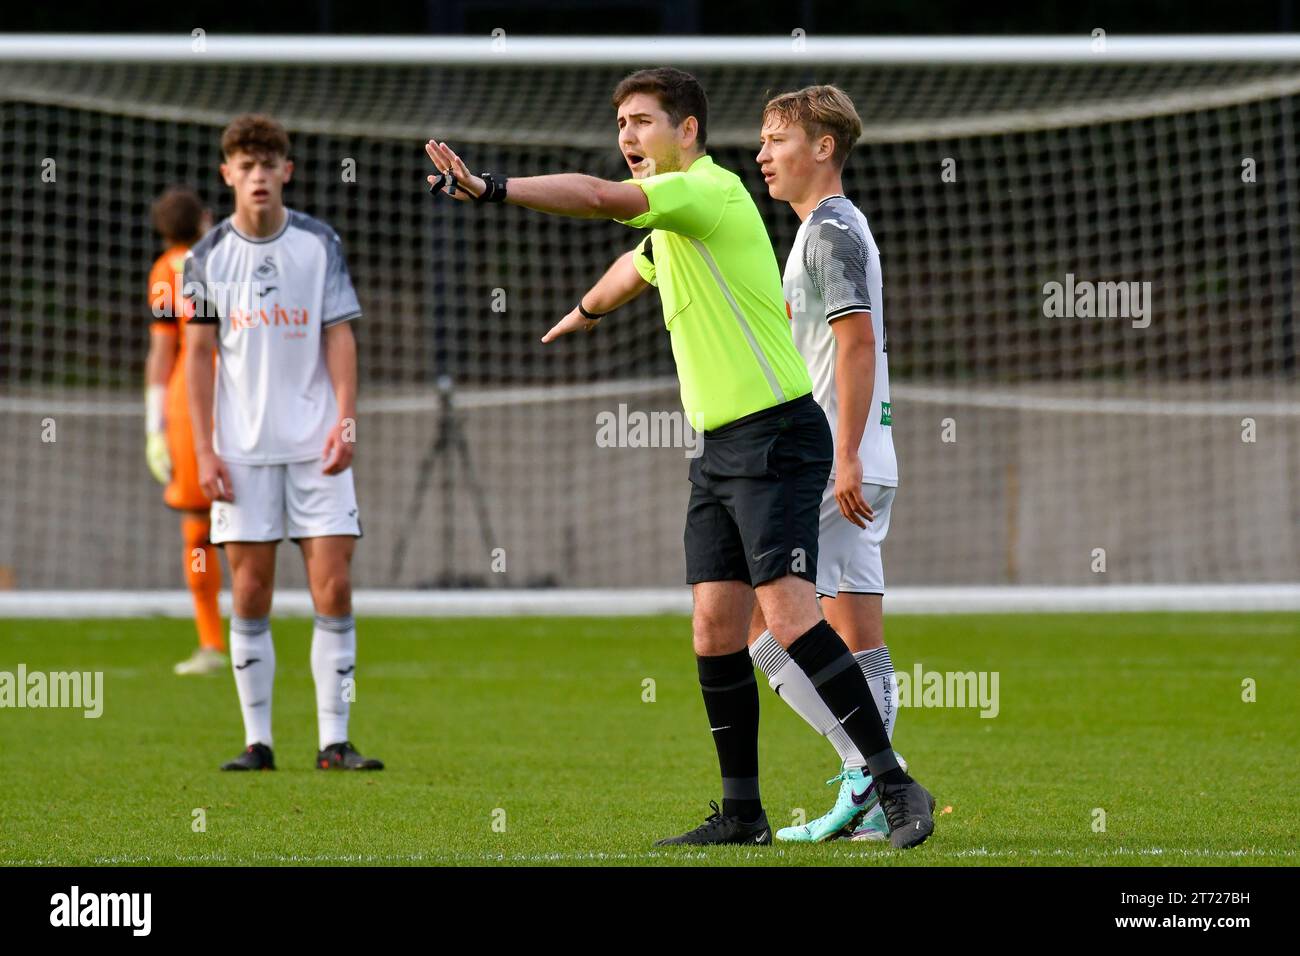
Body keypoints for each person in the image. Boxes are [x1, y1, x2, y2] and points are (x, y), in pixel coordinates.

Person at [425, 68, 933, 848]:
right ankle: (742, 814)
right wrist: (585, 311)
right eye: (621, 123)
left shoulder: (706, 190)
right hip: (722, 446)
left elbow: (600, 199)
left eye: (644, 122)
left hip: (778, 434)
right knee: (714, 629)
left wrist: (490, 187)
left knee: (795, 618)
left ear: (687, 131)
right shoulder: (679, 218)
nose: (629, 137)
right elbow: (642, 263)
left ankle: (892, 784)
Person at [184, 113, 382, 772]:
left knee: (334, 589)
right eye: (246, 165)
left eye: (269, 164)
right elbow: (196, 355)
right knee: (250, 593)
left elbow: (340, 335)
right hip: (240, 451)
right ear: (228, 175)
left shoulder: (318, 243)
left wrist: (346, 419)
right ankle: (258, 743)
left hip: (317, 445)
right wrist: (206, 451)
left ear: (286, 172)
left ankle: (334, 742)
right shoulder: (205, 256)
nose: (259, 175)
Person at [754, 85, 906, 842]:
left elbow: (855, 343)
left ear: (822, 148)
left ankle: (872, 774)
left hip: (837, 462)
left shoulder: (829, 231)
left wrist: (840, 455)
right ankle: (877, 792)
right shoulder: (829, 226)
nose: (762, 154)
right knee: (857, 637)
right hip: (859, 457)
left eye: (777, 139)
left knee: (765, 629)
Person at [144, 186, 226, 676]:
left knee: (198, 526)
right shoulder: (227, 254)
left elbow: (162, 349)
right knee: (249, 521)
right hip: (240, 387)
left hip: (184, 400)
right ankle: (255, 633)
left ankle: (211, 641)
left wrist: (154, 424)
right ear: (205, 219)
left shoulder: (164, 271)